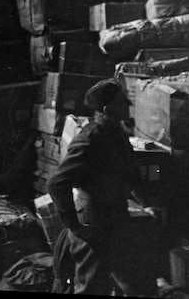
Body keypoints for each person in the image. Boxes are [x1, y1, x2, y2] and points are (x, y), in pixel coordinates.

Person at [48, 78, 146, 296]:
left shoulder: (117, 134)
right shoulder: (90, 138)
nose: (128, 106)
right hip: (93, 222)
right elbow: (56, 183)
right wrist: (74, 227)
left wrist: (146, 203)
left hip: (115, 218)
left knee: (130, 282)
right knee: (91, 286)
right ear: (107, 108)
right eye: (123, 102)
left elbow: (130, 173)